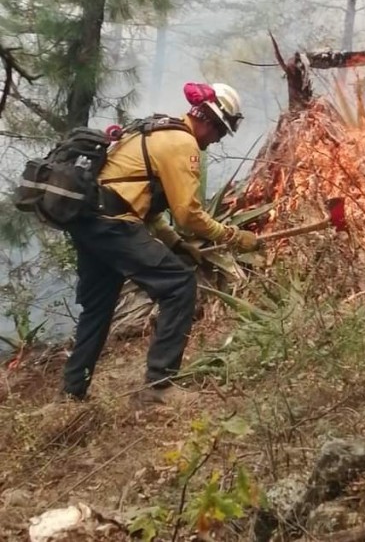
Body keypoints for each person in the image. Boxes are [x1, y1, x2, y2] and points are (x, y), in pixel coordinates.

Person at [62, 82, 259, 406]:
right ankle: (160, 385)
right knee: (180, 285)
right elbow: (188, 215)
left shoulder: (155, 130)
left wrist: (180, 247)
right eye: (220, 132)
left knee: (98, 307)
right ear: (209, 121)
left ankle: (72, 392)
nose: (217, 140)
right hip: (114, 226)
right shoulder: (182, 143)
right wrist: (235, 237)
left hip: (91, 222)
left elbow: (148, 212)